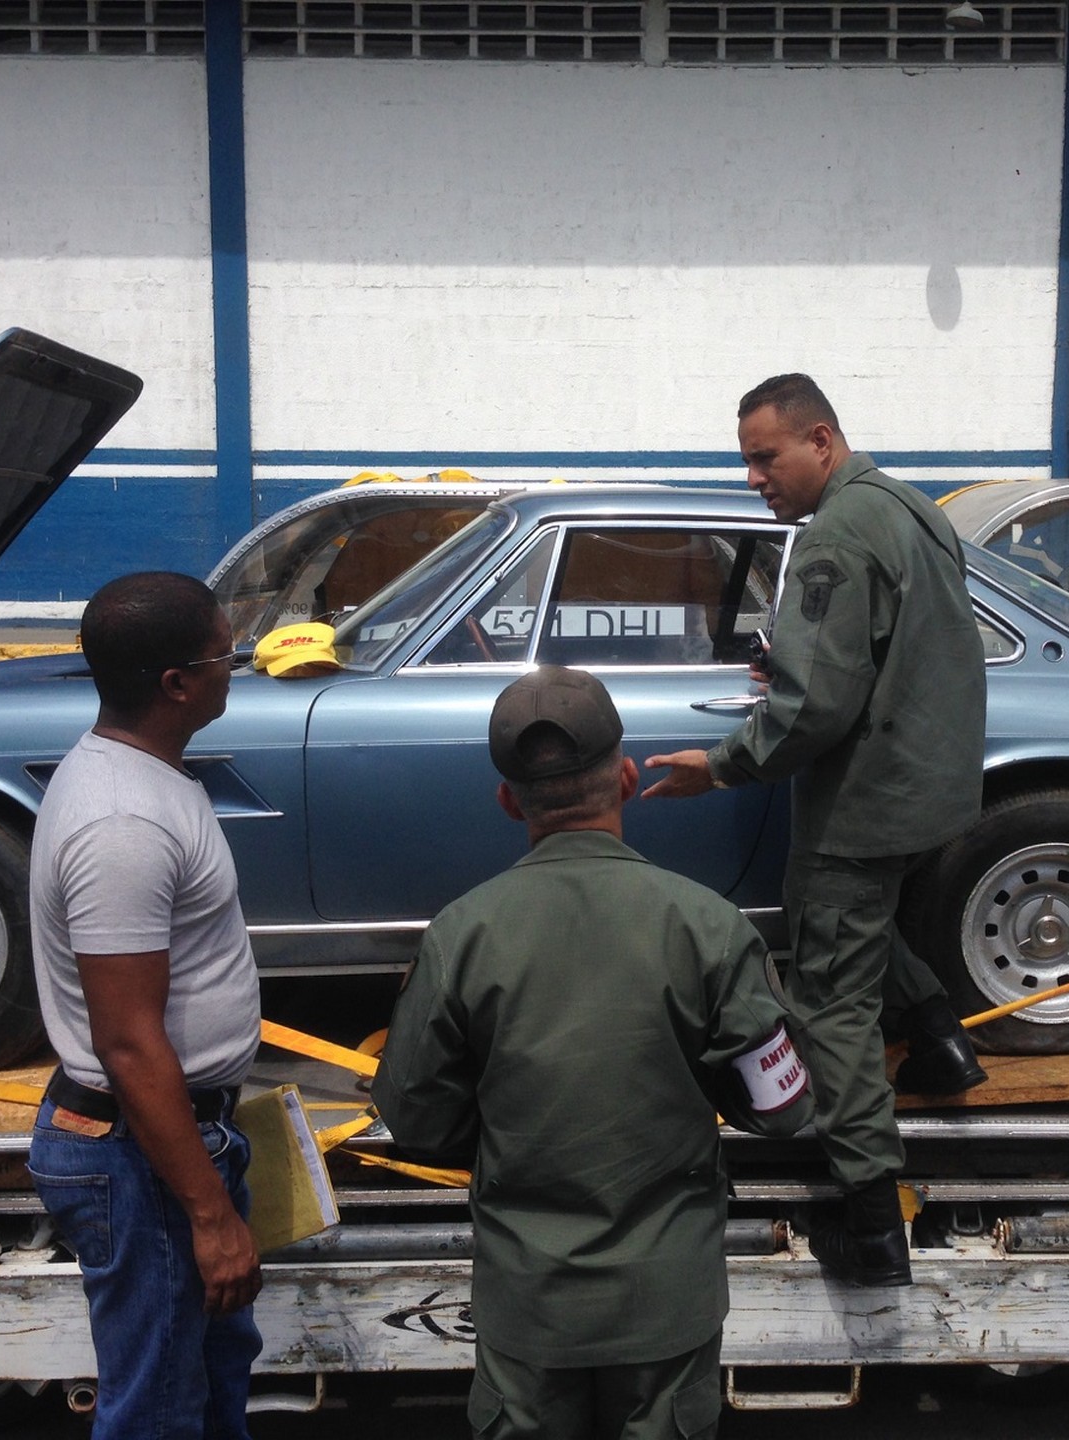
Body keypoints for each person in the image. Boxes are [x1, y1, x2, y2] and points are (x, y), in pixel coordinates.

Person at [375, 666, 815, 1440]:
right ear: (625, 776)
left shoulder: (460, 936)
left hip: (529, 1303)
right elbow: (783, 1108)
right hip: (665, 1307)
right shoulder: (709, 927)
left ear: (510, 800)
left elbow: (416, 1121)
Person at [641, 373, 988, 1288]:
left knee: (831, 994)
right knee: (856, 924)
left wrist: (717, 765)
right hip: (928, 790)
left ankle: (873, 1224)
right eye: (748, 461)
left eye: (766, 457)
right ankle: (943, 1042)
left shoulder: (834, 532)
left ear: (821, 442)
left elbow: (813, 703)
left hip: (864, 803)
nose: (756, 478)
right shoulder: (910, 507)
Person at [26, 572, 264, 1440]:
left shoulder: (148, 778)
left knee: (202, 1385)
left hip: (171, 1146)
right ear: (177, 683)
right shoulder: (120, 821)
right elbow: (126, 1041)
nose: (236, 664)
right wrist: (208, 1212)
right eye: (224, 651)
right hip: (144, 1160)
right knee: (158, 1412)